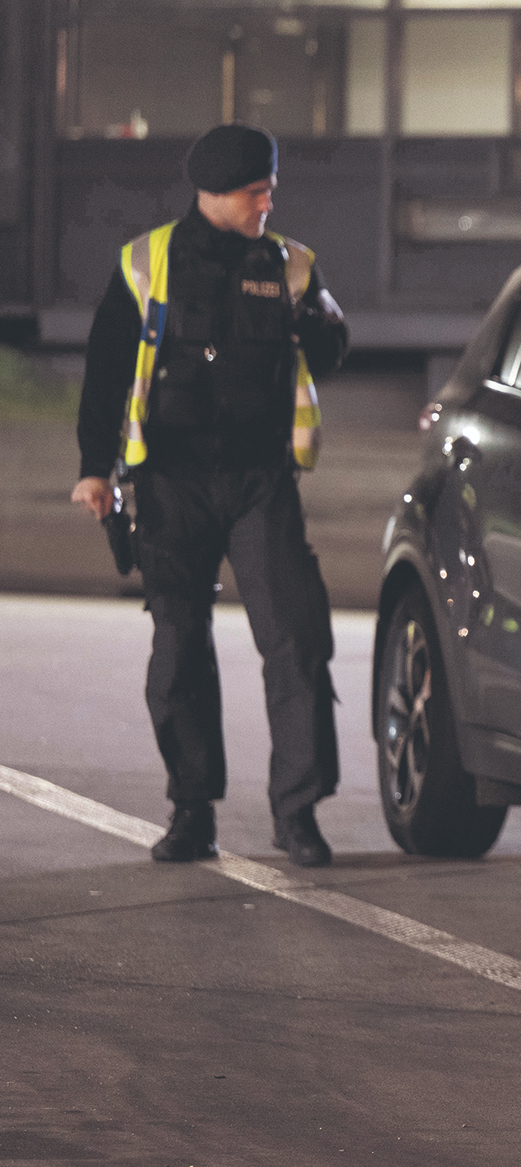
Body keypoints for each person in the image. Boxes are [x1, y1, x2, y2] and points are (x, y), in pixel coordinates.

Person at [70, 122, 349, 867]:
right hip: (170, 481)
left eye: (270, 187)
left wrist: (319, 326)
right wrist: (96, 470)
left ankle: (298, 814)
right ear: (218, 192)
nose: (269, 200)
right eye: (258, 190)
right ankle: (191, 811)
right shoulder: (146, 262)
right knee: (180, 648)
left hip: (262, 482)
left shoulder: (291, 266)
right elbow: (104, 370)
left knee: (295, 642)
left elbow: (331, 347)